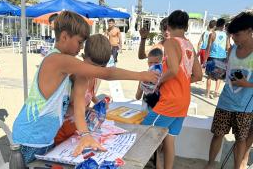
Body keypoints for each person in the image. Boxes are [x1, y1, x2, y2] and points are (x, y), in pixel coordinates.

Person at [12, 11, 159, 164]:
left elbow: (75, 106)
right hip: (28, 138)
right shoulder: (58, 60)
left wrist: (85, 133)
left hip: (43, 138)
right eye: (79, 42)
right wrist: (141, 75)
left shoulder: (68, 67)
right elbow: (107, 73)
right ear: (64, 37)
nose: (81, 47)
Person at [142, 10, 202, 169]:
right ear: (186, 26)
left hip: (170, 101)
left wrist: (158, 82)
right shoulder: (189, 45)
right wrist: (182, 83)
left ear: (168, 25)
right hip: (184, 101)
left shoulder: (170, 42)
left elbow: (174, 69)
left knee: (142, 133)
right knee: (170, 140)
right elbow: (198, 75)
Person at [204, 12, 253, 169]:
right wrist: (217, 71)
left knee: (241, 140)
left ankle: (237, 167)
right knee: (217, 134)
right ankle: (210, 164)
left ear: (249, 31)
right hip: (225, 101)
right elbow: (227, 68)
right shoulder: (232, 49)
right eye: (231, 35)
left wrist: (247, 84)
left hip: (245, 106)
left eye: (237, 34)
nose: (233, 38)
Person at [54, 34, 111, 145]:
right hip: (61, 131)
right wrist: (85, 109)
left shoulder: (94, 78)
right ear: (83, 58)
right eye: (93, 66)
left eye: (102, 68)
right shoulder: (75, 78)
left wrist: (98, 102)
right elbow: (63, 108)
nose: (97, 71)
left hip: (77, 129)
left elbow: (89, 94)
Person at [205, 18, 230, 98]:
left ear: (216, 25)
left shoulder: (212, 34)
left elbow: (208, 46)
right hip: (222, 57)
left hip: (212, 56)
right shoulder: (226, 35)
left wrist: (205, 58)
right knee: (219, 77)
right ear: (223, 26)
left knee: (209, 76)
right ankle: (215, 92)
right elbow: (227, 47)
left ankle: (207, 93)